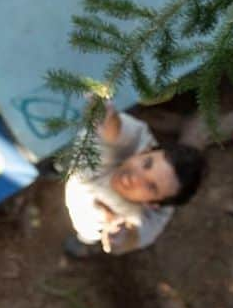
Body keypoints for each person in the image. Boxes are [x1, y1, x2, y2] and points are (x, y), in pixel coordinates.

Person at [63, 98, 206, 258]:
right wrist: (106, 115)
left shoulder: (150, 217)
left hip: (84, 221)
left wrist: (121, 236)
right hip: (70, 164)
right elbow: (114, 131)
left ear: (152, 204)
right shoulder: (137, 137)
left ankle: (83, 242)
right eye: (146, 164)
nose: (135, 178)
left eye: (150, 186)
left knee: (87, 235)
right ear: (146, 150)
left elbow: (133, 238)